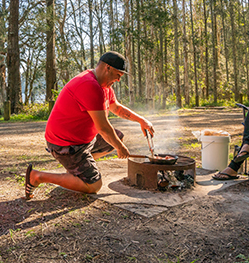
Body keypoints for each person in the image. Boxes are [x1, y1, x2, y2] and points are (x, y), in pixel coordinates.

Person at [24, 51, 154, 199]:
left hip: (83, 141)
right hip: (66, 145)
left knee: (117, 137)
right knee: (94, 185)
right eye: (118, 75)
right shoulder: (89, 85)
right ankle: (37, 176)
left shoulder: (104, 86)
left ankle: (76, 170)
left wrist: (141, 120)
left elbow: (116, 108)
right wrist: (120, 148)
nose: (118, 80)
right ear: (108, 68)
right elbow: (103, 128)